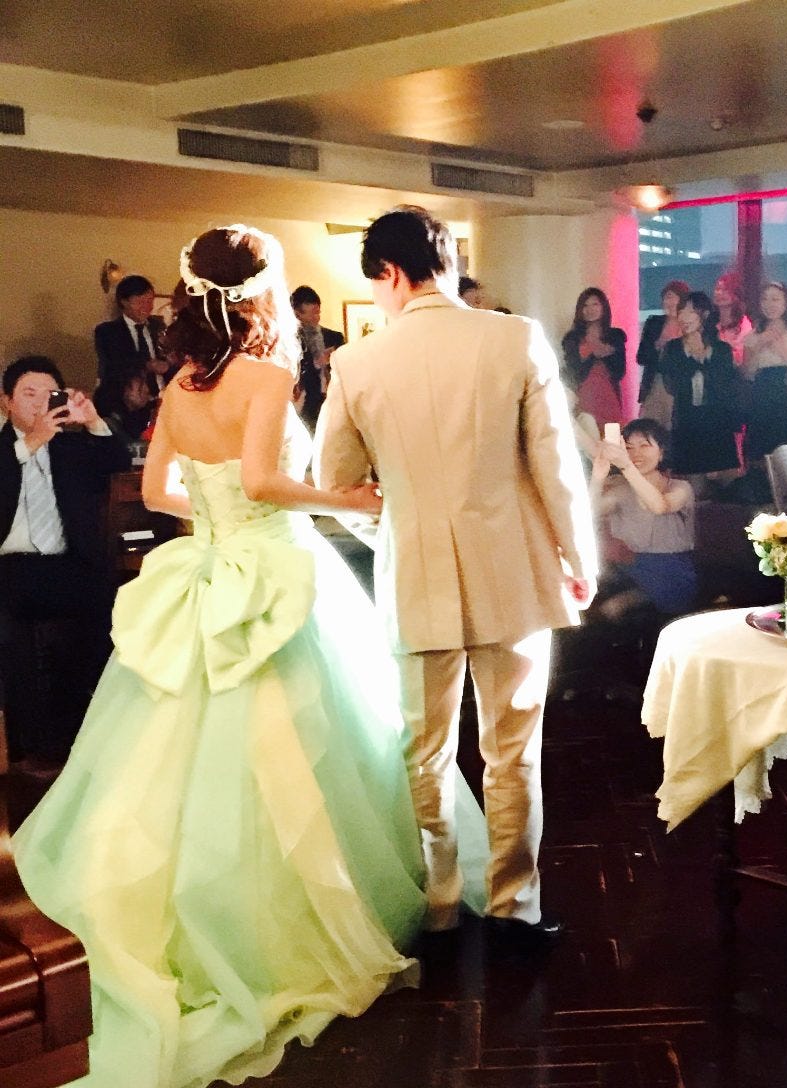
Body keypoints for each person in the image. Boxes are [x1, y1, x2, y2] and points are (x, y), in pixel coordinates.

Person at [13, 225, 491, 1088]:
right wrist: (346, 499)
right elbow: (267, 481)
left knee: (177, 751)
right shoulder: (266, 377)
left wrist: (214, 517)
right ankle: (297, 922)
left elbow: (158, 489)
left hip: (208, 567)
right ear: (258, 294)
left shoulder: (182, 384)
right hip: (272, 568)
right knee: (311, 737)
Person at [315, 205, 597, 946]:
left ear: (391, 274)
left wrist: (395, 528)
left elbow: (336, 482)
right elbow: (556, 466)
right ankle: (514, 908)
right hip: (515, 571)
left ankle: (440, 906)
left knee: (426, 752)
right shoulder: (515, 337)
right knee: (513, 751)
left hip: (415, 576)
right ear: (445, 264)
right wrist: (578, 559)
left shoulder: (357, 362)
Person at [0, 355, 130, 767]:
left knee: (113, 607)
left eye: (49, 394)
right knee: (12, 629)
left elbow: (117, 463)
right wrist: (29, 445)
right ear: (6, 401)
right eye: (29, 394)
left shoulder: (70, 446)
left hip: (66, 561)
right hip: (9, 566)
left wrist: (92, 420)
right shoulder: (6, 449)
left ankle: (91, 728)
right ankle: (31, 744)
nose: (40, 403)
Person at [590, 418, 697, 619]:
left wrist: (626, 467)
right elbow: (590, 513)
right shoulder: (620, 489)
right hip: (630, 569)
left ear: (662, 452)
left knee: (615, 606)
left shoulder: (679, 487)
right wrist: (597, 477)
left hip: (670, 572)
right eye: (629, 448)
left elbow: (659, 506)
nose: (636, 454)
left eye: (644, 446)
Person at [663, 291, 740, 479]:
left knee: (726, 484)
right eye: (681, 312)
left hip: (717, 424)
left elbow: (723, 387)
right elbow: (672, 385)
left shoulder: (721, 349)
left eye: (690, 312)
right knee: (691, 483)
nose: (683, 317)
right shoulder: (673, 348)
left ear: (704, 314)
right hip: (687, 423)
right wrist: (694, 358)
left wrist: (702, 356)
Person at [743, 281, 787, 461]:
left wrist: (780, 348)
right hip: (761, 393)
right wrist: (759, 345)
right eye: (765, 299)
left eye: (775, 299)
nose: (769, 304)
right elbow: (746, 372)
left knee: (786, 446)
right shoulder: (753, 334)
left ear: (786, 302)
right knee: (760, 448)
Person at [561, 287, 627, 430]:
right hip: (583, 397)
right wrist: (594, 355)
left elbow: (620, 372)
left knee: (611, 436)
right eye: (585, 305)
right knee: (586, 435)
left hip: (608, 395)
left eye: (595, 304)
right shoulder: (572, 338)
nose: (590, 309)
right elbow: (573, 374)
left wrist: (606, 355)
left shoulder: (615, 336)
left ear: (603, 307)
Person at [94, 274, 172, 394]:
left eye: (150, 301)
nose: (147, 307)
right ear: (124, 302)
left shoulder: (158, 325)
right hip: (127, 399)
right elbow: (113, 366)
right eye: (140, 302)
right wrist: (147, 365)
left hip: (163, 393)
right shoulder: (107, 331)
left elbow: (169, 358)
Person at [291, 284, 346, 430]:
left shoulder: (335, 337)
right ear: (297, 314)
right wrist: (316, 363)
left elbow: (346, 371)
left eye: (318, 312)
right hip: (306, 406)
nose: (317, 318)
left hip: (335, 400)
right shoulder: (290, 341)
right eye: (312, 313)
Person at [637, 279, 689, 426]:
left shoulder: (688, 324)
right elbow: (641, 357)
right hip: (655, 384)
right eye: (666, 297)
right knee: (649, 427)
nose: (669, 302)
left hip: (679, 388)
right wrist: (657, 345)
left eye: (673, 297)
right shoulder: (654, 323)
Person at [93, 364, 155, 443]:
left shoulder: (143, 414)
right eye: (139, 389)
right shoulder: (112, 427)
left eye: (144, 382)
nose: (147, 389)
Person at [713, 271, 753, 366]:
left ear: (736, 295)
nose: (719, 293)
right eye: (717, 289)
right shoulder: (710, 320)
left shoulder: (743, 323)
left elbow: (741, 358)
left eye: (725, 290)